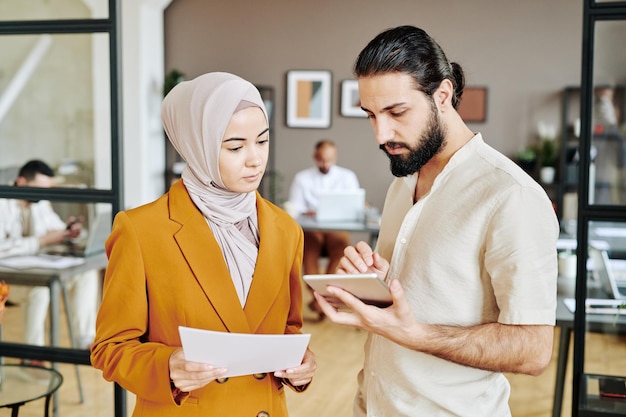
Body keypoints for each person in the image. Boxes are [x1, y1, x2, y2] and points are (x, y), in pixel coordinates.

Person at [314, 25, 559, 417]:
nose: (382, 133)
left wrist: (418, 335)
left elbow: (533, 349)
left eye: (396, 112)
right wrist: (365, 287)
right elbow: (413, 301)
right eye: (371, 115)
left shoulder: (511, 196)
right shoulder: (403, 182)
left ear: (442, 95)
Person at [90, 72, 316, 416]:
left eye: (263, 141)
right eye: (236, 147)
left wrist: (301, 366)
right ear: (198, 145)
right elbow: (110, 348)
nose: (255, 159)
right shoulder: (141, 230)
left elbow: (287, 328)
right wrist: (168, 366)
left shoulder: (285, 230)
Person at [0, 159, 99, 350]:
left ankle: (85, 341)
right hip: (8, 280)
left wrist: (70, 232)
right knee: (40, 290)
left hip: (35, 269)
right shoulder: (3, 201)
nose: (44, 194)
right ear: (21, 182)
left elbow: (55, 227)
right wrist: (40, 242)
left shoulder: (39, 201)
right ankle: (33, 355)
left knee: (85, 274)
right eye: (39, 188)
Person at [287, 139, 360, 319]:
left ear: (335, 158)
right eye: (321, 160)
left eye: (329, 160)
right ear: (315, 157)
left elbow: (354, 205)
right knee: (308, 250)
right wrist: (307, 212)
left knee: (342, 248)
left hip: (337, 227)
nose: (325, 164)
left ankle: (321, 299)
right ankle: (322, 299)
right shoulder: (302, 178)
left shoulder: (347, 176)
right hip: (312, 229)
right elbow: (295, 207)